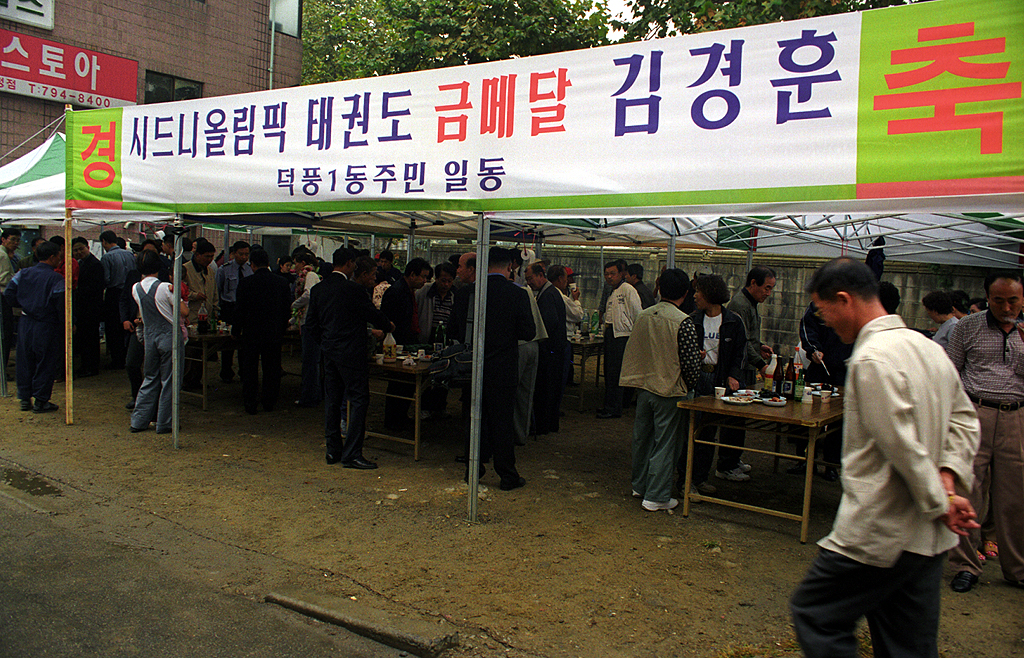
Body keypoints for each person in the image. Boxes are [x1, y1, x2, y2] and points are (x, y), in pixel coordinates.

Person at [789, 257, 980, 658]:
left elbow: (901, 447)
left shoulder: (872, 359)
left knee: (815, 613)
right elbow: (965, 420)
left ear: (844, 300)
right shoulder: (926, 348)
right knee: (906, 646)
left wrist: (940, 500)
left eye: (823, 312)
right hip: (926, 542)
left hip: (879, 531)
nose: (825, 323)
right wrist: (948, 476)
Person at [946, 271, 1024, 593]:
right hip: (974, 413)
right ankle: (966, 565)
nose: (1006, 307)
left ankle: (1017, 568)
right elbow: (951, 372)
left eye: (1013, 300)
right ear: (987, 298)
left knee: (1015, 497)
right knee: (969, 491)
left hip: (1016, 417)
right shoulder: (967, 327)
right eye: (999, 300)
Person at [306, 247, 394, 469]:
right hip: (351, 352)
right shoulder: (352, 290)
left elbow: (311, 325)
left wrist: (326, 343)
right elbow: (371, 314)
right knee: (358, 399)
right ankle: (352, 452)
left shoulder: (318, 289)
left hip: (330, 351)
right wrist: (387, 325)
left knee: (333, 400)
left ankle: (332, 449)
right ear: (349, 263)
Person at [622, 269, 701, 511]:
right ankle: (656, 496)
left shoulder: (644, 316)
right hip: (670, 390)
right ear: (686, 292)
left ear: (659, 287)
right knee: (666, 444)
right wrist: (693, 382)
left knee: (642, 439)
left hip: (644, 386)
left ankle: (640, 485)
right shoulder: (683, 321)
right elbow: (690, 365)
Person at [464, 247, 535, 490]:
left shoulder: (469, 292)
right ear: (510, 267)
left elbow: (454, 329)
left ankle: (472, 469)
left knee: (473, 417)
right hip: (503, 366)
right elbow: (529, 332)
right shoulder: (517, 294)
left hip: (472, 366)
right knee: (502, 421)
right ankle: (507, 475)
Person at [678, 274, 746, 496]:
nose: (695, 295)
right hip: (696, 378)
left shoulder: (733, 322)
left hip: (718, 380)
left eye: (699, 291)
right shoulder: (692, 319)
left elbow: (739, 354)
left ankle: (699, 478)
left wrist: (733, 375)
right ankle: (684, 481)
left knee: (708, 433)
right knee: (690, 432)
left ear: (711, 294)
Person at [721, 265, 776, 480]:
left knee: (741, 417)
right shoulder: (740, 305)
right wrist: (760, 363)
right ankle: (726, 464)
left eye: (771, 289)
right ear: (753, 283)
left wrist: (759, 346)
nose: (768, 293)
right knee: (733, 416)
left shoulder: (751, 304)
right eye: (766, 288)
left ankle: (734, 459)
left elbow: (750, 338)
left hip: (747, 365)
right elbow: (741, 341)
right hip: (739, 367)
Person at [129, 251, 188, 434]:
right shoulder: (165, 287)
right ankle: (165, 422)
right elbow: (184, 312)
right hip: (169, 335)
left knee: (149, 378)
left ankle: (139, 420)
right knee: (170, 380)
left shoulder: (136, 288)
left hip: (149, 336)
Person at [3, 240, 65, 413]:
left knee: (24, 360)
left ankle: (24, 398)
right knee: (45, 361)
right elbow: (61, 304)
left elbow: (8, 293)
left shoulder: (23, 273)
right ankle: (41, 400)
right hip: (47, 324)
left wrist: (23, 304)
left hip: (25, 321)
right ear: (53, 257)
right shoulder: (56, 278)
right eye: (59, 256)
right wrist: (67, 323)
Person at [233, 248, 291, 414]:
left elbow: (239, 310)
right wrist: (282, 327)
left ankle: (250, 403)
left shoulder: (246, 283)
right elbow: (286, 309)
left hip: (251, 333)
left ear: (252, 265)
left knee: (250, 369)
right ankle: (269, 402)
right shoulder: (281, 282)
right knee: (272, 369)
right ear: (269, 263)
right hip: (273, 333)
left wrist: (236, 330)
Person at [380, 257, 431, 430]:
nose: (424, 281)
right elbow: (389, 320)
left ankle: (400, 417)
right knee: (398, 384)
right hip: (397, 343)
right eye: (422, 277)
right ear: (412, 274)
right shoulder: (396, 291)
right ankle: (393, 420)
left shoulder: (408, 291)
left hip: (407, 342)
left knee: (406, 385)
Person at [596, 260, 642, 419]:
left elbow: (638, 314)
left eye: (612, 274)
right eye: (606, 274)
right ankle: (610, 405)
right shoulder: (613, 291)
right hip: (611, 333)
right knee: (609, 371)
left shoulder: (628, 290)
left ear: (621, 274)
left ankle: (614, 408)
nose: (609, 277)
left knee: (615, 373)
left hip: (622, 336)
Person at [526, 262, 567, 435]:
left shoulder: (548, 295)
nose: (529, 283)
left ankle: (544, 425)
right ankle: (548, 423)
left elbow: (549, 323)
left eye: (530, 278)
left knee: (546, 389)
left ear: (540, 275)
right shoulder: (548, 293)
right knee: (550, 389)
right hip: (554, 351)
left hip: (551, 352)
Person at [215, 240, 252, 383]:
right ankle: (226, 372)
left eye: (246, 254)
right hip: (229, 307)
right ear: (234, 254)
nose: (244, 257)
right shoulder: (224, 269)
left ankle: (244, 370)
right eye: (241, 254)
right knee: (227, 343)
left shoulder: (250, 269)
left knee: (244, 342)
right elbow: (218, 290)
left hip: (245, 309)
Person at [99, 230, 138, 370]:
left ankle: (117, 359)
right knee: (128, 325)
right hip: (130, 292)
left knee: (113, 328)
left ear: (104, 241)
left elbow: (106, 279)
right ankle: (128, 355)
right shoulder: (130, 254)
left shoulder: (107, 257)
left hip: (114, 293)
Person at [291, 251, 322, 407]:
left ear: (303, 263)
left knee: (310, 361)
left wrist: (294, 305)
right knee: (311, 361)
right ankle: (312, 394)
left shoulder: (309, 276)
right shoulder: (310, 276)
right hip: (306, 322)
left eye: (295, 262)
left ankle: (309, 395)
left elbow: (308, 295)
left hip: (310, 324)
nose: (293, 266)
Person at [71, 237, 105, 378]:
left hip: (91, 308)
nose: (79, 252)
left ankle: (91, 367)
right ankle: (85, 365)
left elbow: (96, 287)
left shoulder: (95, 264)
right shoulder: (80, 263)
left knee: (90, 338)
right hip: (83, 308)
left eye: (81, 248)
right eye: (76, 250)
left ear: (88, 247)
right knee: (84, 338)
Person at [1, 227, 21, 379]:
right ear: (4, 239)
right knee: (5, 334)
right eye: (12, 239)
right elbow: (5, 279)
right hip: (3, 297)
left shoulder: (8, 255)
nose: (15, 243)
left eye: (18, 240)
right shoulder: (2, 255)